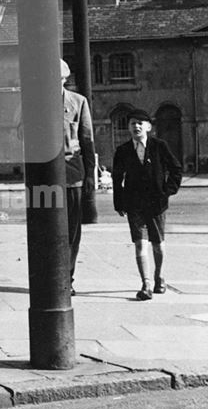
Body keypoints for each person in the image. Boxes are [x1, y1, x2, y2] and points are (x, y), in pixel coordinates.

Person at [112, 108, 183, 300]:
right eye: (132, 123)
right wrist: (119, 203)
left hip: (157, 204)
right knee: (139, 244)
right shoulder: (123, 151)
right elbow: (117, 178)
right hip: (134, 204)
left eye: (140, 123)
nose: (136, 126)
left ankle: (159, 276)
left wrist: (167, 191)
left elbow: (176, 169)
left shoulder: (160, 146)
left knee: (158, 244)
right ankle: (146, 284)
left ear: (149, 127)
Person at [60, 59, 96, 295]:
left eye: (58, 79)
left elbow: (87, 140)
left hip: (72, 176)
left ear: (65, 80)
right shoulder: (33, 103)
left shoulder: (78, 102)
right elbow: (22, 134)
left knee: (72, 230)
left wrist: (91, 176)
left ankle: (67, 279)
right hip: (44, 179)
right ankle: (50, 275)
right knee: (47, 230)